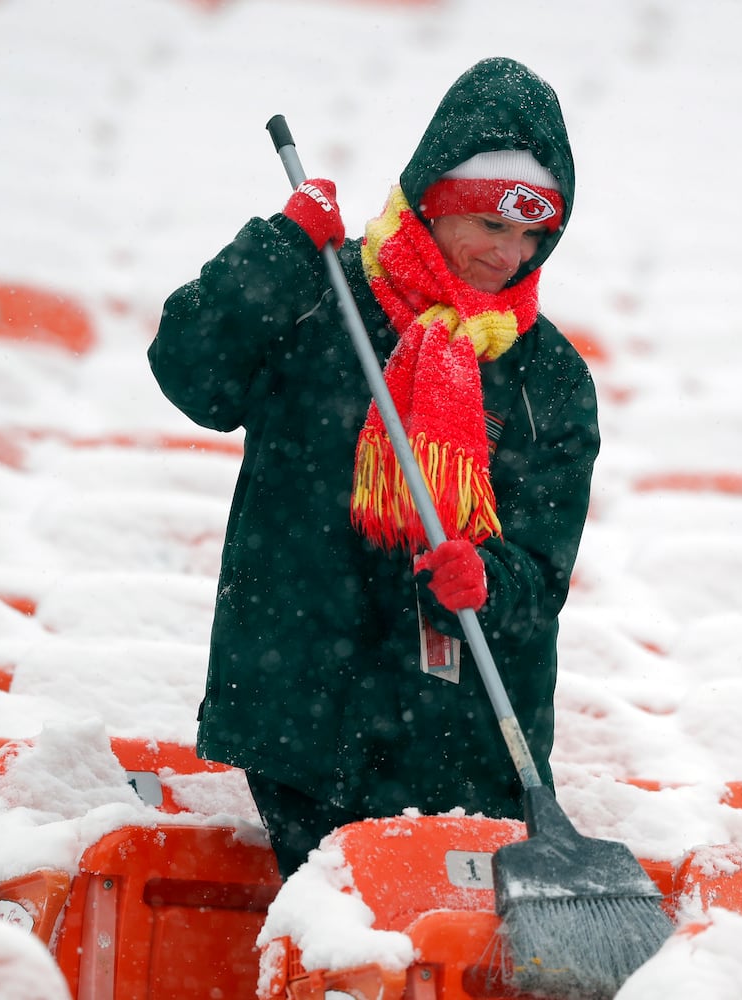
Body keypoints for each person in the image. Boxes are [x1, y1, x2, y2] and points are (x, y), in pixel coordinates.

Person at [148, 57, 599, 879]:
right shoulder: (322, 292)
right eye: (492, 227)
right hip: (303, 710)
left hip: (464, 735)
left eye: (534, 234)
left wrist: (488, 580)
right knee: (344, 947)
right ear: (433, 200)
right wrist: (277, 251)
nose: (511, 255)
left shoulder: (550, 375)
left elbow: (544, 566)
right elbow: (192, 374)